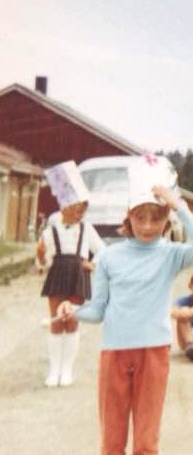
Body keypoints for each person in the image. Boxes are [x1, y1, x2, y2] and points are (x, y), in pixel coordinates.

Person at [57, 156, 193, 455]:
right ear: (127, 216)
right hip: (114, 355)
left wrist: (177, 203)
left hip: (153, 356)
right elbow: (98, 309)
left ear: (165, 219)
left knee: (145, 444)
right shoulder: (109, 257)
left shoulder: (170, 254)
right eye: (140, 217)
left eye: (156, 218)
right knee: (111, 445)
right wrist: (73, 310)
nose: (147, 226)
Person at [36, 160, 105, 387]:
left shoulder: (87, 228)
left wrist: (93, 264)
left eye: (83, 209)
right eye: (76, 208)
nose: (80, 213)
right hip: (58, 275)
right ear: (65, 206)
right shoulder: (51, 230)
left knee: (72, 320)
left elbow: (103, 251)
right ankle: (54, 370)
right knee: (57, 321)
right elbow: (42, 263)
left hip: (78, 277)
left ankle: (67, 370)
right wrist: (40, 256)